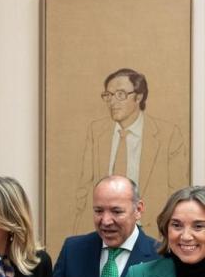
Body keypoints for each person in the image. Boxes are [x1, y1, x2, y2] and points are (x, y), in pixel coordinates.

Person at [73, 68, 188, 237]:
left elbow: (178, 193)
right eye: (108, 95)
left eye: (120, 94)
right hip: (105, 232)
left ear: (139, 96)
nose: (112, 102)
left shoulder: (168, 134)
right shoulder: (97, 131)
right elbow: (83, 188)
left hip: (150, 233)